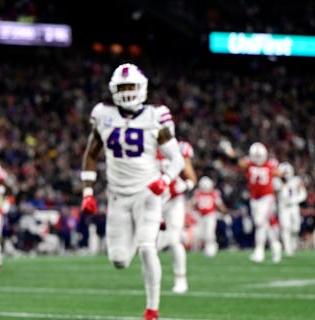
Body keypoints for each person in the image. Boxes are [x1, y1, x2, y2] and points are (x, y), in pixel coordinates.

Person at [80, 63, 184, 320]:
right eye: (123, 87)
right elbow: (91, 154)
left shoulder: (155, 116)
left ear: (143, 88)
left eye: (132, 87)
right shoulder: (103, 114)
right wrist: (88, 192)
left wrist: (165, 179)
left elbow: (177, 159)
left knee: (147, 247)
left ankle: (152, 309)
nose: (127, 92)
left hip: (148, 193)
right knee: (119, 260)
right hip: (117, 196)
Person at [223, 141, 282, 263]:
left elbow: (280, 174)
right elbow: (238, 164)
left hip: (267, 197)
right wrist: (232, 154)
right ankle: (275, 245)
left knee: (260, 223)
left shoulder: (270, 165)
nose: (258, 159)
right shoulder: (249, 164)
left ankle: (259, 250)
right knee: (262, 224)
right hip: (255, 199)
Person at [157, 139, 197, 294]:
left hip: (174, 200)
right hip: (154, 200)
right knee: (150, 245)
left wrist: (186, 185)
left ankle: (181, 279)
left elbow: (191, 178)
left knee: (174, 240)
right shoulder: (146, 145)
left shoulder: (178, 148)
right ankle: (154, 280)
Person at [189, 176, 227, 258]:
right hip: (200, 216)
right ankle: (200, 249)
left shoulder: (214, 193)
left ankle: (210, 248)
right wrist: (188, 209)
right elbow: (192, 203)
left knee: (210, 233)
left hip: (210, 215)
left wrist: (225, 212)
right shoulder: (198, 193)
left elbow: (220, 204)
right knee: (200, 234)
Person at [275, 162, 307, 257]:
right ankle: (288, 249)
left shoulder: (296, 180)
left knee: (296, 228)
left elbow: (303, 193)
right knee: (286, 227)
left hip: (294, 206)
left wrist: (295, 200)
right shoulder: (276, 182)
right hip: (283, 207)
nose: (285, 175)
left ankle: (292, 243)